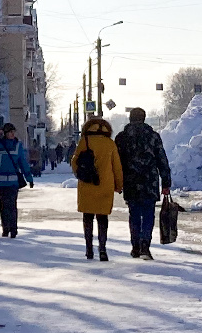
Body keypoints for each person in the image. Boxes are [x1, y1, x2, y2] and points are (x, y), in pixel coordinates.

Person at [115, 107, 172, 260]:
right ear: (144, 118)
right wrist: (166, 181)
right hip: (150, 181)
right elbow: (162, 159)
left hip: (130, 181)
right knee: (148, 214)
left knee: (134, 214)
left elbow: (117, 162)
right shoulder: (153, 137)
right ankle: (145, 245)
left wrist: (117, 181)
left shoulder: (122, 137)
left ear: (130, 119)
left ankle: (135, 246)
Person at [71, 115, 124, 261]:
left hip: (87, 185)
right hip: (105, 186)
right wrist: (119, 185)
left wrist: (81, 175)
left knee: (87, 217)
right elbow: (117, 168)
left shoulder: (84, 141)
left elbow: (75, 162)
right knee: (102, 218)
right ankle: (102, 249)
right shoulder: (110, 144)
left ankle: (89, 249)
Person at [0, 122, 35, 237]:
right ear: (5, 133)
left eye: (14, 132)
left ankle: (13, 229)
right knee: (3, 206)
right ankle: (5, 228)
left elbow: (23, 163)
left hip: (13, 181)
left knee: (12, 205)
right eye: (10, 132)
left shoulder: (18, 146)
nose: (13, 134)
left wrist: (29, 178)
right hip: (0, 181)